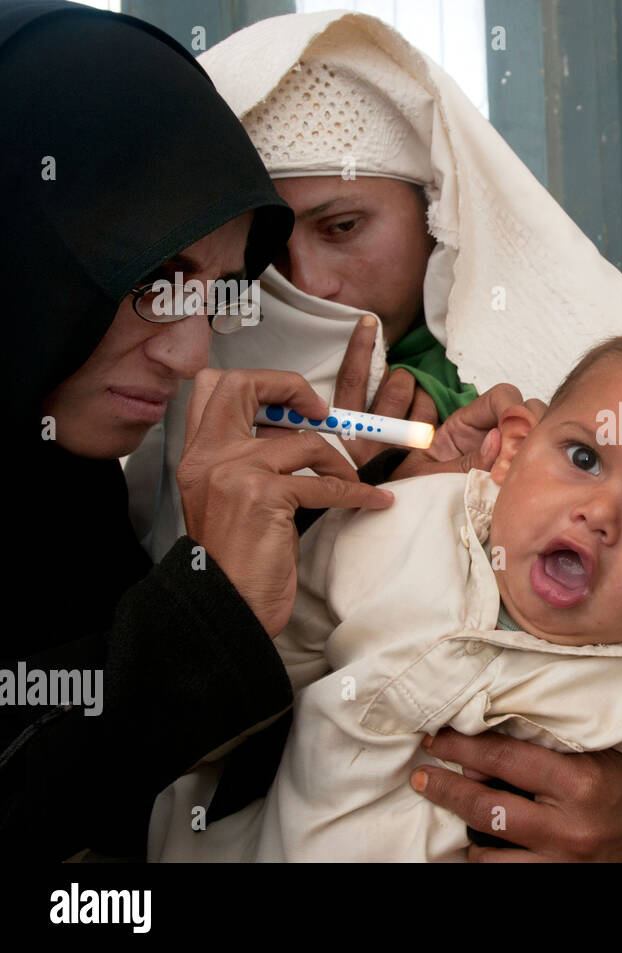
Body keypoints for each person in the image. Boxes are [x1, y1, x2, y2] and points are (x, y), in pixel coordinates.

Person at [128, 10, 622, 862]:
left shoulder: (584, 389)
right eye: (261, 254)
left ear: (436, 214)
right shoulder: (183, 374)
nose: (310, 282)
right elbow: (202, 715)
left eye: (343, 227)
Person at [151, 330, 622, 862]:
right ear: (514, 448)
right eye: (585, 458)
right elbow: (264, 666)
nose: (600, 513)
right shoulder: (401, 523)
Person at [0, 0, 400, 861]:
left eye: (217, 291)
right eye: (154, 275)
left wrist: (309, 546)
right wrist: (201, 610)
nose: (189, 353)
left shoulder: (66, 483)